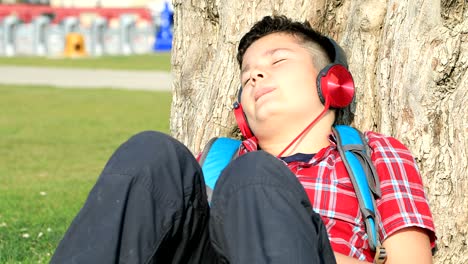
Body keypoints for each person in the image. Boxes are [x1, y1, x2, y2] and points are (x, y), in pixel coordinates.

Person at [51, 15, 436, 264]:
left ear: (332, 83)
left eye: (277, 62)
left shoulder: (373, 155)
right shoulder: (220, 161)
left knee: (257, 178)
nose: (254, 76)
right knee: (151, 152)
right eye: (247, 73)